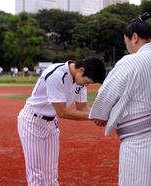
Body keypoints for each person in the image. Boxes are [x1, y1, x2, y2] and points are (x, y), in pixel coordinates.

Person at [89, 12, 151, 186]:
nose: (128, 47)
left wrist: (100, 115)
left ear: (135, 37)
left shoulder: (131, 61)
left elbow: (107, 93)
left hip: (140, 140)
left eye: (127, 42)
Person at [17, 57, 105, 186]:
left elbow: (83, 108)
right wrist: (94, 117)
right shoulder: (56, 74)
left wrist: (102, 115)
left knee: (51, 174)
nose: (87, 85)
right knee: (36, 175)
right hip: (32, 121)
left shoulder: (79, 81)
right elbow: (62, 112)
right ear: (81, 70)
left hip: (51, 123)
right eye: (87, 81)